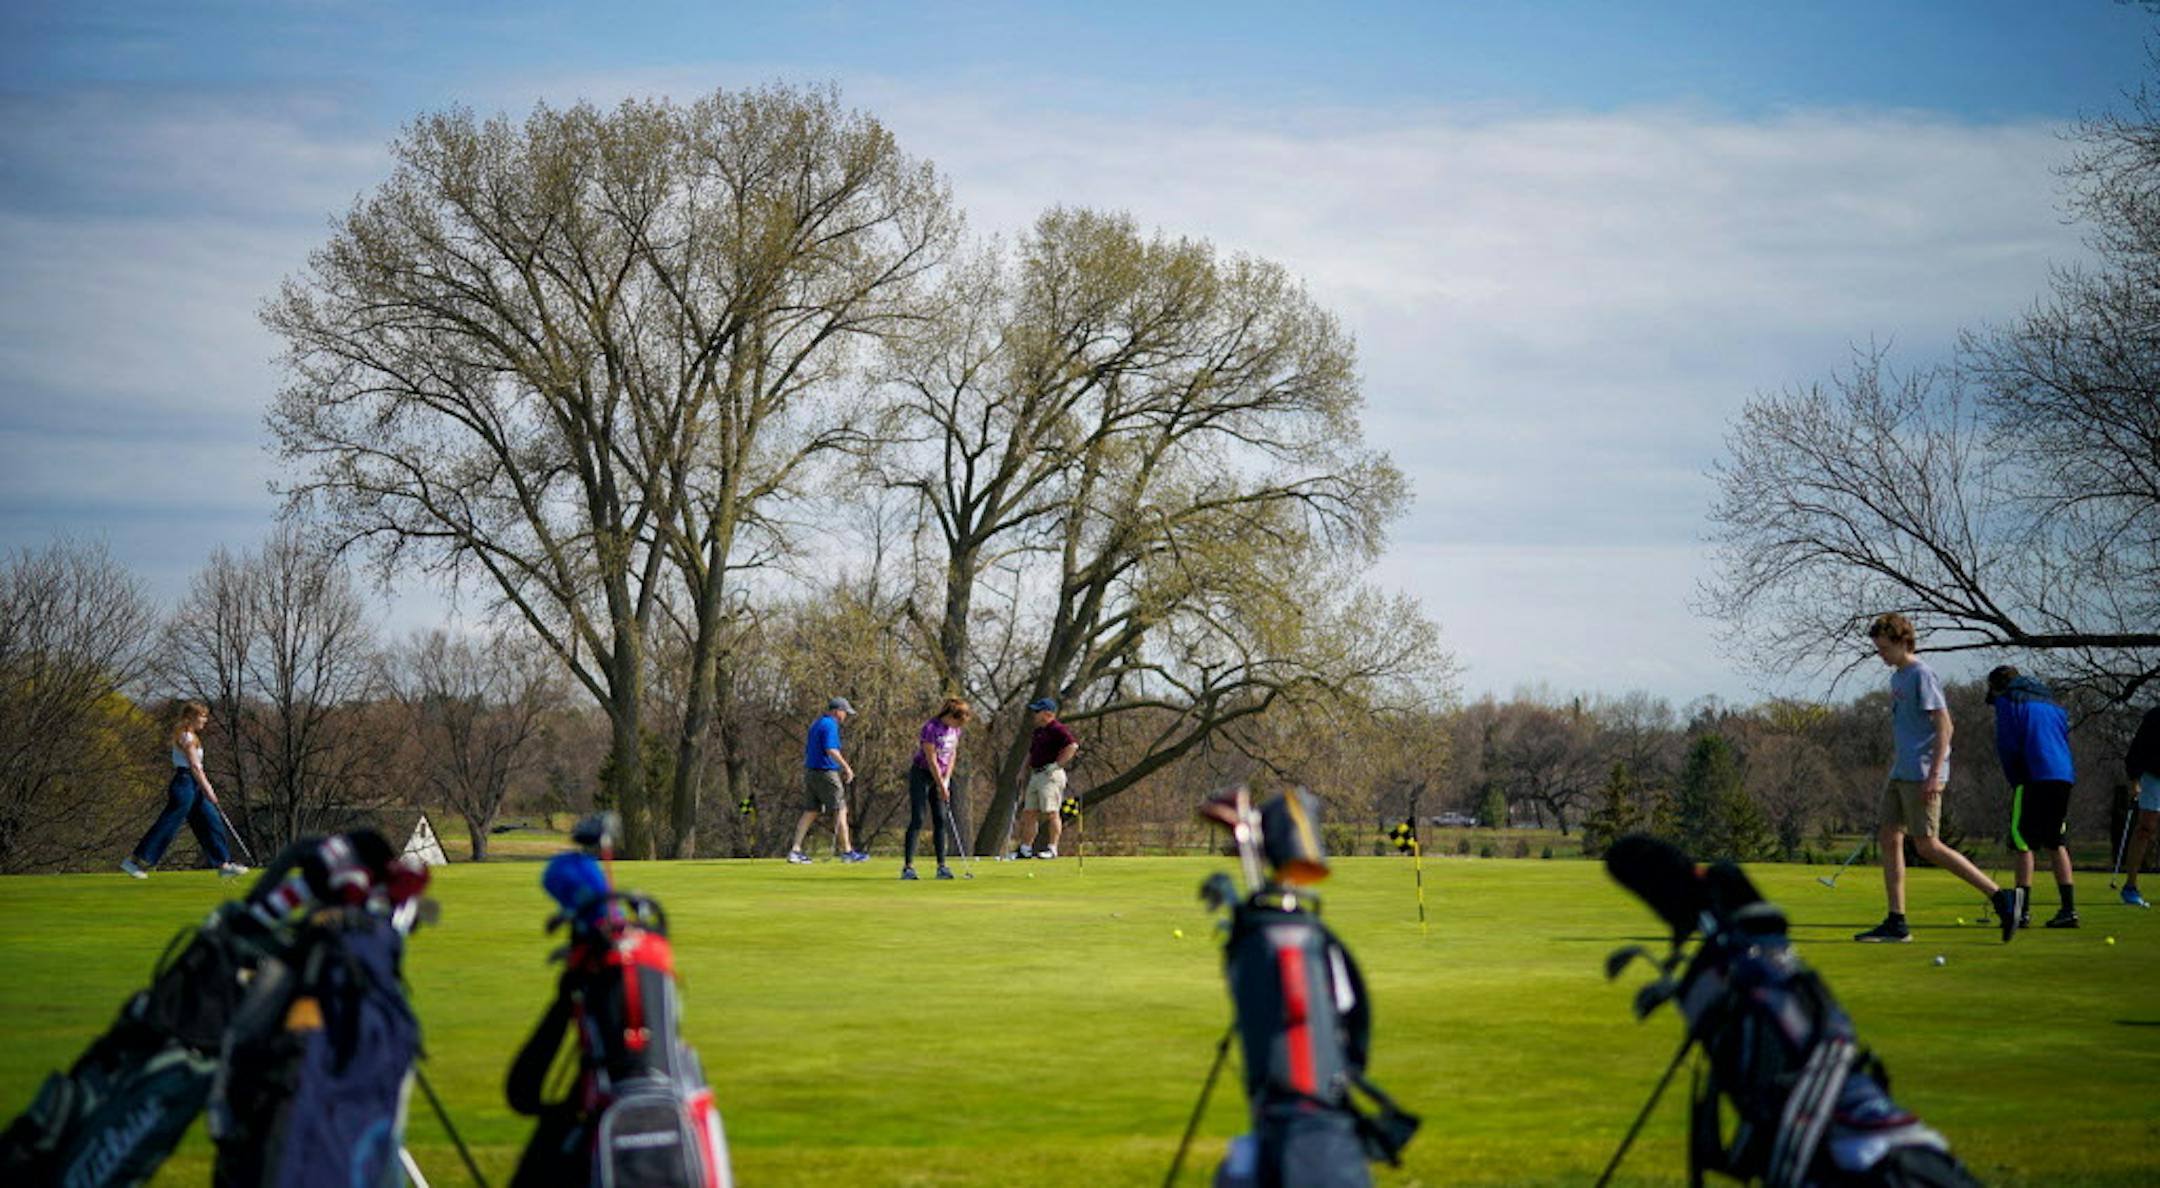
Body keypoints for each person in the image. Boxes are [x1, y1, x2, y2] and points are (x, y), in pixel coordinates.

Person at [1854, 614, 2018, 943]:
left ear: (1903, 642)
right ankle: (1896, 921)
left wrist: (1933, 775)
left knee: (1927, 846)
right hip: (1901, 772)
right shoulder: (1897, 677)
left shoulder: (1921, 674)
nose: (1881, 654)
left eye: (1885, 648)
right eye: (1878, 648)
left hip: (1923, 774)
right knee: (1889, 837)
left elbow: (1945, 727)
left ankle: (2001, 897)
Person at [1986, 665, 2079, 928]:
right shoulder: (2053, 705)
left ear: (1998, 686)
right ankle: (2069, 910)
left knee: (2023, 842)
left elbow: (2008, 745)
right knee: (2055, 841)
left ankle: (2021, 911)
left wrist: (2015, 779)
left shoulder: (2008, 702)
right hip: (2063, 776)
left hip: (2032, 775)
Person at [121, 700, 246, 879]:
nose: (205, 720)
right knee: (169, 824)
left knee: (211, 821)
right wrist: (208, 789)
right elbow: (195, 766)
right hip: (185, 783)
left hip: (193, 785)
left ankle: (223, 864)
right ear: (190, 718)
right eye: (201, 717)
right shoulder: (186, 737)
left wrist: (203, 788)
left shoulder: (192, 736)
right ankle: (134, 861)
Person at [790, 697, 866, 864]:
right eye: (844, 712)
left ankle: (795, 850)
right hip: (826, 772)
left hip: (811, 771)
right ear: (837, 711)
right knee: (840, 809)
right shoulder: (830, 725)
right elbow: (831, 749)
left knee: (811, 811)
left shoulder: (817, 724)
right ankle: (847, 852)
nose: (845, 716)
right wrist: (847, 767)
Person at [902, 697, 970, 881]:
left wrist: (946, 780)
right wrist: (940, 784)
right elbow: (931, 759)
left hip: (941, 777)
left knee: (941, 818)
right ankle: (908, 867)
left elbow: (952, 753)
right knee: (918, 817)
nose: (958, 725)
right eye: (957, 720)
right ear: (949, 715)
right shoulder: (930, 728)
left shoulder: (955, 729)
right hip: (922, 774)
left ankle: (942, 866)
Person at [1013, 696, 1078, 859]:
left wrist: (1057, 765)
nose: (1034, 714)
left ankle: (1052, 848)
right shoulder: (1039, 731)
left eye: (1037, 711)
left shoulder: (1057, 729)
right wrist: (1022, 771)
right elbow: (1031, 753)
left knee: (1051, 812)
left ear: (1048, 714)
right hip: (1036, 775)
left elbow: (1072, 746)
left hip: (1050, 775)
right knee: (1029, 813)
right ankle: (1025, 849)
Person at [2121, 702, 2160, 908]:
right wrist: (2134, 779)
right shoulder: (2155, 716)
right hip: (2154, 776)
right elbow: (2137, 749)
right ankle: (2130, 886)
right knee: (2146, 828)